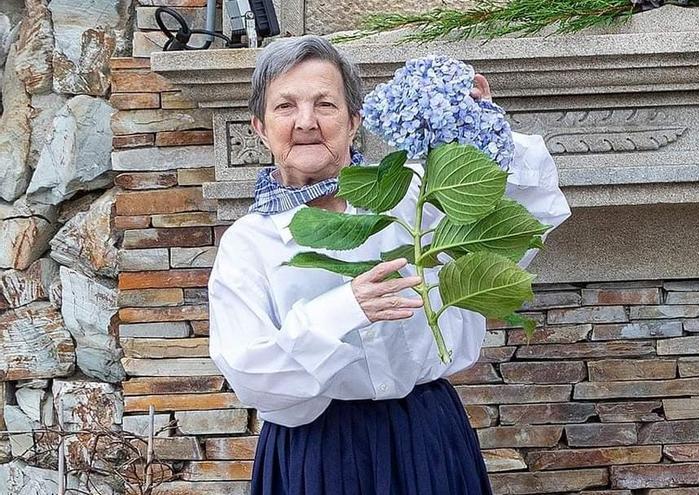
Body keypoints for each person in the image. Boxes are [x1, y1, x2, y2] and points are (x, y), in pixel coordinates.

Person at [207, 35, 571, 495]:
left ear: (354, 120)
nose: (306, 122)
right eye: (285, 107)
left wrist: (485, 127)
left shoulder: (417, 196)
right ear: (259, 127)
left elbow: (525, 221)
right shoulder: (248, 243)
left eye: (326, 104)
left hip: (426, 433)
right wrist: (345, 307)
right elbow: (251, 375)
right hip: (317, 452)